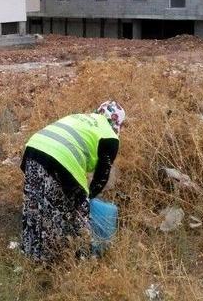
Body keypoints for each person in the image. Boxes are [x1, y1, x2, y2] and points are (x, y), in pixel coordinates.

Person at [20, 101, 126, 262]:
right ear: (117, 123)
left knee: (36, 207)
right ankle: (78, 259)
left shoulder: (80, 117)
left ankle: (33, 257)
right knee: (77, 215)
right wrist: (88, 198)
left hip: (33, 151)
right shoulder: (109, 136)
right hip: (59, 160)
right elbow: (102, 177)